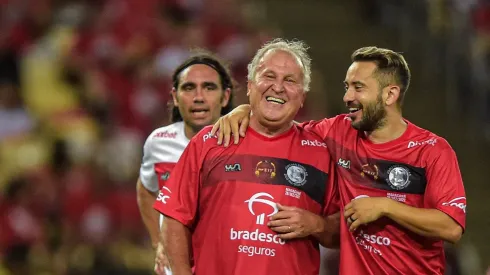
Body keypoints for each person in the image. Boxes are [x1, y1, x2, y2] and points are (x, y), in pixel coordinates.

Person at [211, 46, 466, 275]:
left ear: (390, 95)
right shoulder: (338, 132)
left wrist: (386, 206)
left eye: (359, 87)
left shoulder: (432, 150)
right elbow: (286, 126)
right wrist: (246, 110)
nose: (347, 97)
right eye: (347, 87)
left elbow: (451, 227)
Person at [152, 39, 340, 275]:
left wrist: (317, 224)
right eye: (269, 76)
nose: (278, 87)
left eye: (290, 80)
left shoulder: (321, 152)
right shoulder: (211, 141)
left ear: (302, 96)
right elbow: (174, 217)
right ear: (250, 86)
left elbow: (340, 232)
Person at [136, 50, 234, 265]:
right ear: (175, 97)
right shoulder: (158, 142)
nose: (199, 97)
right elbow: (145, 190)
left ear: (225, 97)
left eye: (209, 87)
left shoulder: (242, 144)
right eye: (189, 88)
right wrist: (158, 242)